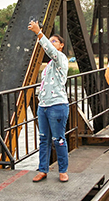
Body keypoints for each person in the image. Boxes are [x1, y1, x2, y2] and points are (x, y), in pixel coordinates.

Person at [28, 21, 69, 183]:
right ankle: (43, 169)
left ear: (61, 46)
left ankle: (63, 170)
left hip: (57, 105)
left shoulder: (61, 58)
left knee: (58, 138)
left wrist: (39, 33)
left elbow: (50, 50)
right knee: (43, 138)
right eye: (50, 40)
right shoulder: (49, 65)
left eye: (55, 41)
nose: (52, 43)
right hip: (43, 106)